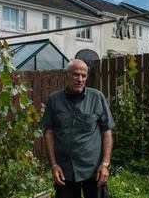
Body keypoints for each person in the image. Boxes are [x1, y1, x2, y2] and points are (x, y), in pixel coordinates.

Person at [41, 59, 114, 198]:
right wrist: (54, 165)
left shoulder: (97, 98)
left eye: (83, 75)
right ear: (66, 75)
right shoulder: (54, 100)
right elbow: (48, 133)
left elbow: (107, 131)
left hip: (94, 170)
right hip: (65, 171)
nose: (80, 79)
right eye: (75, 74)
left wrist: (105, 164)